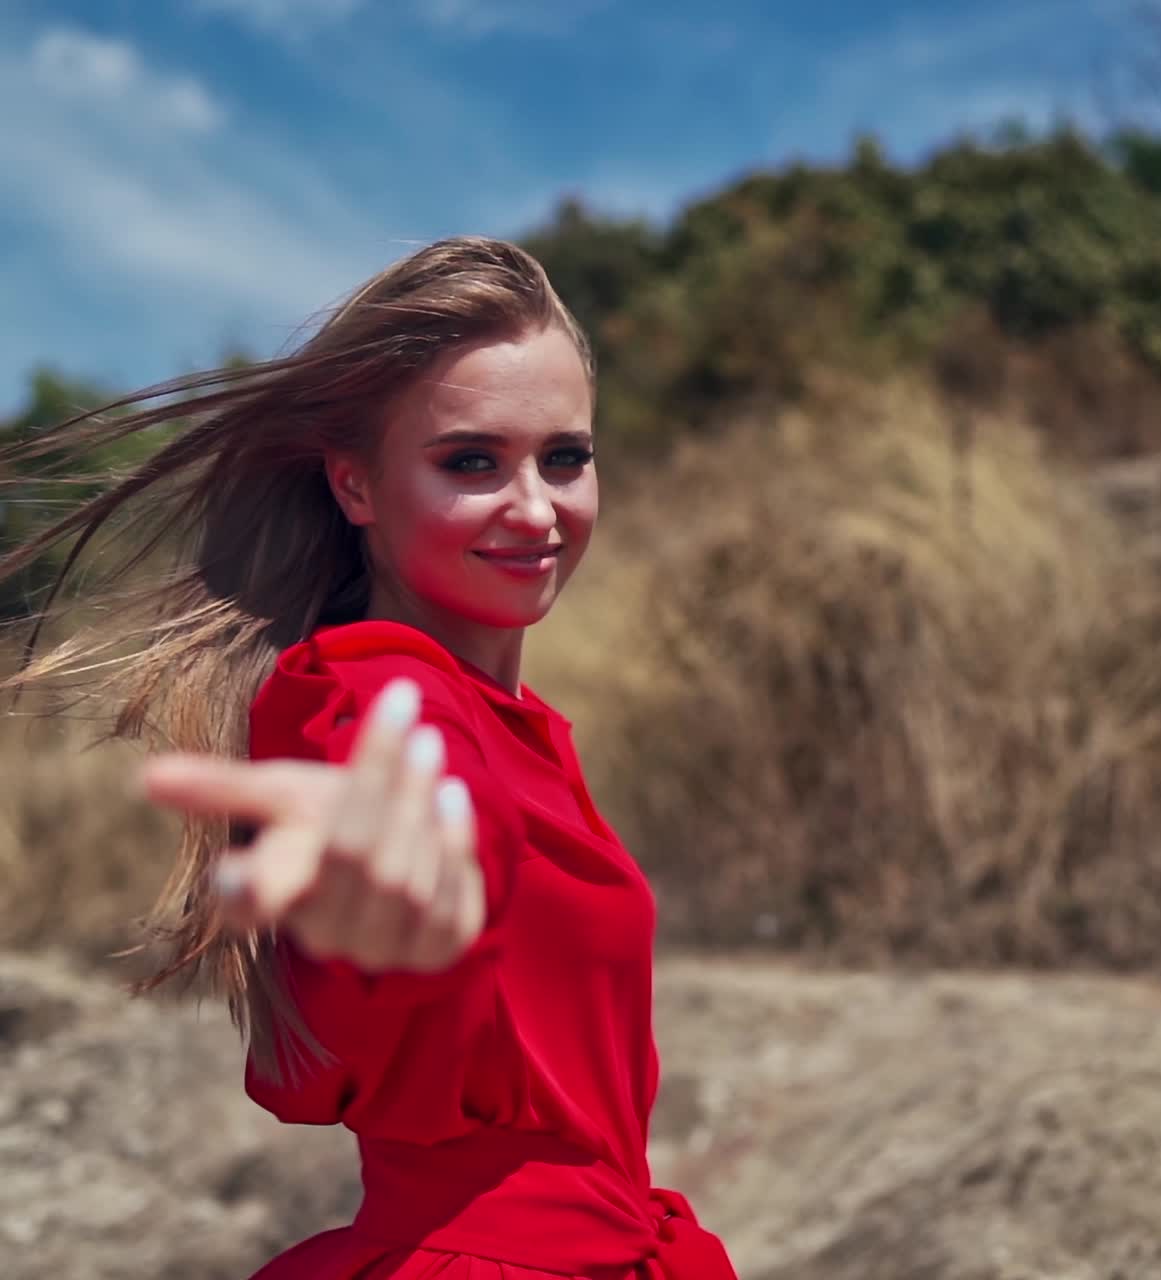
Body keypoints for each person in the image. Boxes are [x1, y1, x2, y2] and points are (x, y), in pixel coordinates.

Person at [0, 238, 738, 1279]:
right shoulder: (362, 688)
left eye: (563, 456)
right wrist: (398, 898)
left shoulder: (527, 727)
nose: (534, 506)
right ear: (354, 485)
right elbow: (408, 799)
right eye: (470, 461)